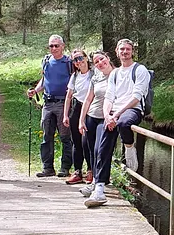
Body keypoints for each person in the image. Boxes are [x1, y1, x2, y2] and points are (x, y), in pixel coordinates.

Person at [84, 38, 151, 208]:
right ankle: (99, 188)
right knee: (102, 147)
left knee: (123, 123)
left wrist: (117, 114)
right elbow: (109, 97)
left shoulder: (140, 70)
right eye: (122, 49)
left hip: (132, 109)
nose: (125, 52)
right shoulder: (115, 73)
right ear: (116, 51)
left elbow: (136, 97)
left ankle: (129, 147)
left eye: (128, 49)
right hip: (113, 112)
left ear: (132, 51)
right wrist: (107, 115)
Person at [26, 34, 73, 177]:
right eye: (51, 46)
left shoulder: (69, 62)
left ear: (62, 46)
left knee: (65, 137)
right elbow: (44, 79)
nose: (53, 48)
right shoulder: (46, 61)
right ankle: (48, 168)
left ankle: (65, 168)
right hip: (47, 103)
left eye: (56, 45)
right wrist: (35, 91)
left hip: (63, 103)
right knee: (47, 136)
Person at [78, 51, 115, 200]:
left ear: (108, 58)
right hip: (92, 116)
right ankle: (95, 181)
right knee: (91, 150)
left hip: (106, 118)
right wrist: (81, 120)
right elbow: (88, 99)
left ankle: (100, 183)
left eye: (102, 59)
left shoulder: (118, 75)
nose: (100, 63)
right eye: (96, 62)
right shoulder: (96, 77)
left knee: (100, 149)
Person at [61, 48, 93, 184]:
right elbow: (69, 96)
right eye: (75, 60)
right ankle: (78, 171)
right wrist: (65, 115)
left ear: (86, 58)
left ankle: (91, 170)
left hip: (91, 108)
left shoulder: (94, 74)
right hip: (77, 107)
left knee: (88, 141)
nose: (78, 62)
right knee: (76, 141)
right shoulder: (75, 76)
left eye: (80, 58)